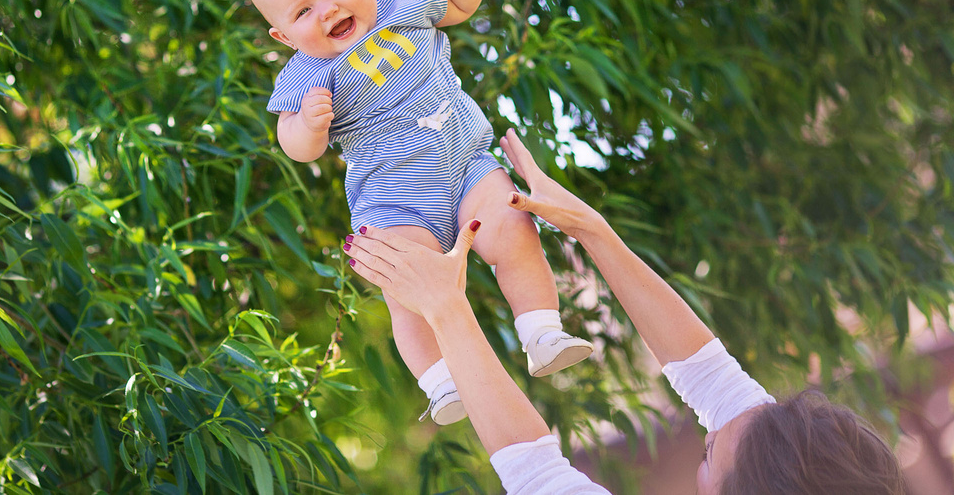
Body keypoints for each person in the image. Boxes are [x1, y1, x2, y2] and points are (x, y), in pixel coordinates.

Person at [346, 129, 906, 494]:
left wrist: (447, 311)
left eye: (749, 438)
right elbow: (717, 383)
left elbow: (538, 477)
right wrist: (590, 227)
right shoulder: (757, 449)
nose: (749, 407)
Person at [244, 0, 592, 425]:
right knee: (407, 289)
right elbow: (293, 145)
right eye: (303, 11)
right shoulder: (306, 74)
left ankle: (542, 331)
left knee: (515, 227)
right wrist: (308, 126)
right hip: (395, 200)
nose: (328, 9)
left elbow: (459, 4)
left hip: (465, 161)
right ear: (283, 35)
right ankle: (441, 382)